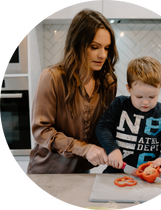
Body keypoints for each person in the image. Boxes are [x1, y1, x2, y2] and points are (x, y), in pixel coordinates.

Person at [27, 8, 119, 174]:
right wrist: (83, 148)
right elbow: (42, 131)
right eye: (94, 47)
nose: (102, 55)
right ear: (77, 44)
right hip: (49, 171)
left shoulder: (108, 83)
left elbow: (105, 126)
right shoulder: (52, 77)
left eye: (106, 48)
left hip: (82, 171)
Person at [95, 56, 161, 173]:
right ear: (128, 88)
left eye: (152, 97)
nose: (145, 102)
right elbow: (102, 128)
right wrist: (112, 149)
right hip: (115, 173)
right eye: (139, 97)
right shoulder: (119, 105)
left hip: (149, 174)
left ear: (160, 87)